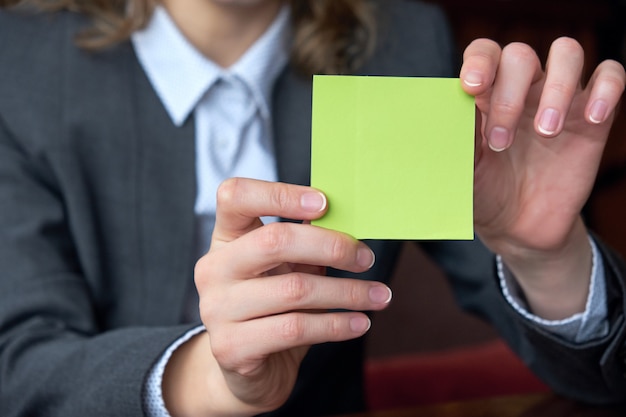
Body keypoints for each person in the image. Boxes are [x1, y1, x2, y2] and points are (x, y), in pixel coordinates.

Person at [0, 0, 625, 416]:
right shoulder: (19, 61)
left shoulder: (401, 41)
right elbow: (19, 362)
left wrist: (545, 258)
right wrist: (205, 381)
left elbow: (593, 369)